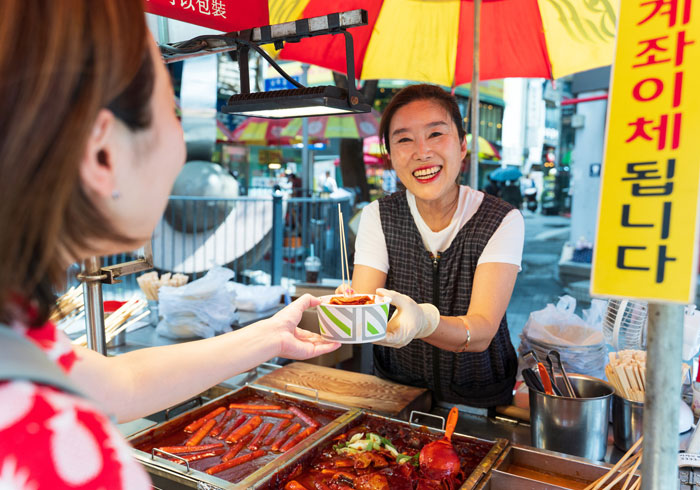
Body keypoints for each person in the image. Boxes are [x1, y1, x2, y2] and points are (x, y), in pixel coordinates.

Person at [0, 2, 339, 487]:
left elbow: (122, 383)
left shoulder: (19, 336)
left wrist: (269, 335)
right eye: (171, 113)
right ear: (102, 152)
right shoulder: (55, 450)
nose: (182, 147)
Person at [348, 84, 524, 407]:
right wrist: (347, 313)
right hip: (398, 394)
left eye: (436, 134)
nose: (422, 152)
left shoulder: (502, 219)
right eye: (404, 139)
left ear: (462, 146)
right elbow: (366, 312)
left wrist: (424, 322)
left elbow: (482, 330)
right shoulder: (378, 216)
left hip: (479, 399)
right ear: (390, 156)